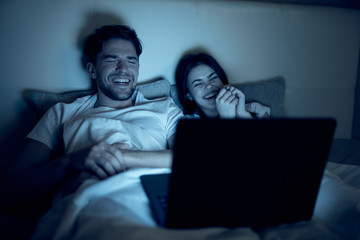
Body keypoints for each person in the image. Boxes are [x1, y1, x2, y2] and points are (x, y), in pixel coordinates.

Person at [1, 25, 183, 213]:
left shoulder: (165, 108)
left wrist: (120, 157)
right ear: (92, 69)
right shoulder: (62, 113)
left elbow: (191, 161)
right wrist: (69, 162)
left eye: (131, 61)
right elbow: (9, 189)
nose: (123, 69)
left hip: (153, 202)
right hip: (91, 206)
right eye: (112, 60)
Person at [175, 52, 270, 119]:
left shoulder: (255, 110)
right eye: (198, 83)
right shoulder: (188, 125)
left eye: (213, 78)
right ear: (189, 95)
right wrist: (226, 120)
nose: (208, 86)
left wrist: (243, 116)